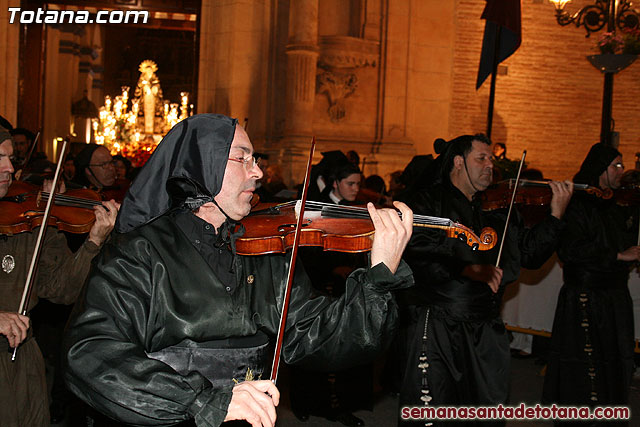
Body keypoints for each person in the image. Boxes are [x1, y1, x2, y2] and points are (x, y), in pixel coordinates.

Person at [63, 114, 415, 427]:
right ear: (203, 166)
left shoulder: (265, 250)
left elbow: (321, 336)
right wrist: (204, 401)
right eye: (242, 158)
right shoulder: (139, 251)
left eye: (256, 159)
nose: (258, 172)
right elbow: (91, 352)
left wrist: (379, 277)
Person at [396, 134, 573, 426]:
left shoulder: (498, 209)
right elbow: (415, 250)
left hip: (486, 325)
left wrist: (555, 215)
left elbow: (529, 254)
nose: (490, 165)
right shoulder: (427, 200)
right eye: (482, 158)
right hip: (439, 321)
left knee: (485, 408)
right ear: (458, 162)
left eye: (491, 159)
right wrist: (467, 267)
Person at [0, 127, 119, 426]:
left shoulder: (31, 221)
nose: (10, 169)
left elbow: (62, 290)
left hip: (22, 362)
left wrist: (93, 241)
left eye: (11, 158)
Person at [542, 143, 639, 415]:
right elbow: (572, 249)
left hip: (614, 295)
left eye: (622, 165)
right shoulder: (578, 202)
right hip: (586, 295)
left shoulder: (616, 203)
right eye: (615, 166)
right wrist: (619, 256)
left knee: (615, 358)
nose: (622, 171)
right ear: (600, 169)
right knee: (584, 363)